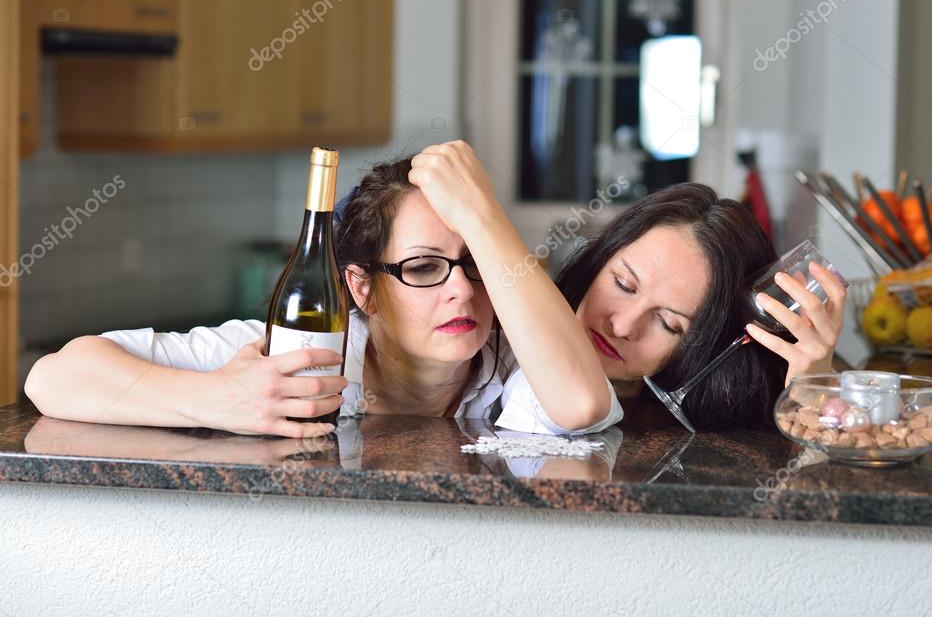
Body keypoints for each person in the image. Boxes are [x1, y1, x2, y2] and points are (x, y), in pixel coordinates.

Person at [24, 153, 622, 438]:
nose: (462, 290)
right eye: (422, 268)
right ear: (362, 287)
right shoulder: (298, 354)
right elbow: (53, 377)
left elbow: (580, 406)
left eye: (476, 263)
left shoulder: (519, 370)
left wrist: (488, 216)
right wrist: (216, 399)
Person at [410, 142, 846, 431]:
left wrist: (812, 394)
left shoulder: (697, 434)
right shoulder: (482, 348)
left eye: (669, 324)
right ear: (598, 260)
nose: (622, 325)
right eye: (622, 284)